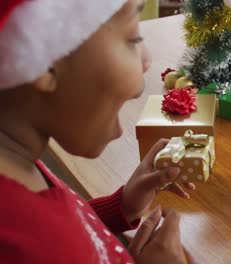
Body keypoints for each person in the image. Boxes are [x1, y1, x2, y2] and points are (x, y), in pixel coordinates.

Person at [0, 1, 193, 263]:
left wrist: (121, 207)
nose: (147, 60)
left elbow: (67, 234)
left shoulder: (17, 171)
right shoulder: (37, 244)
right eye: (133, 38)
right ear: (46, 60)